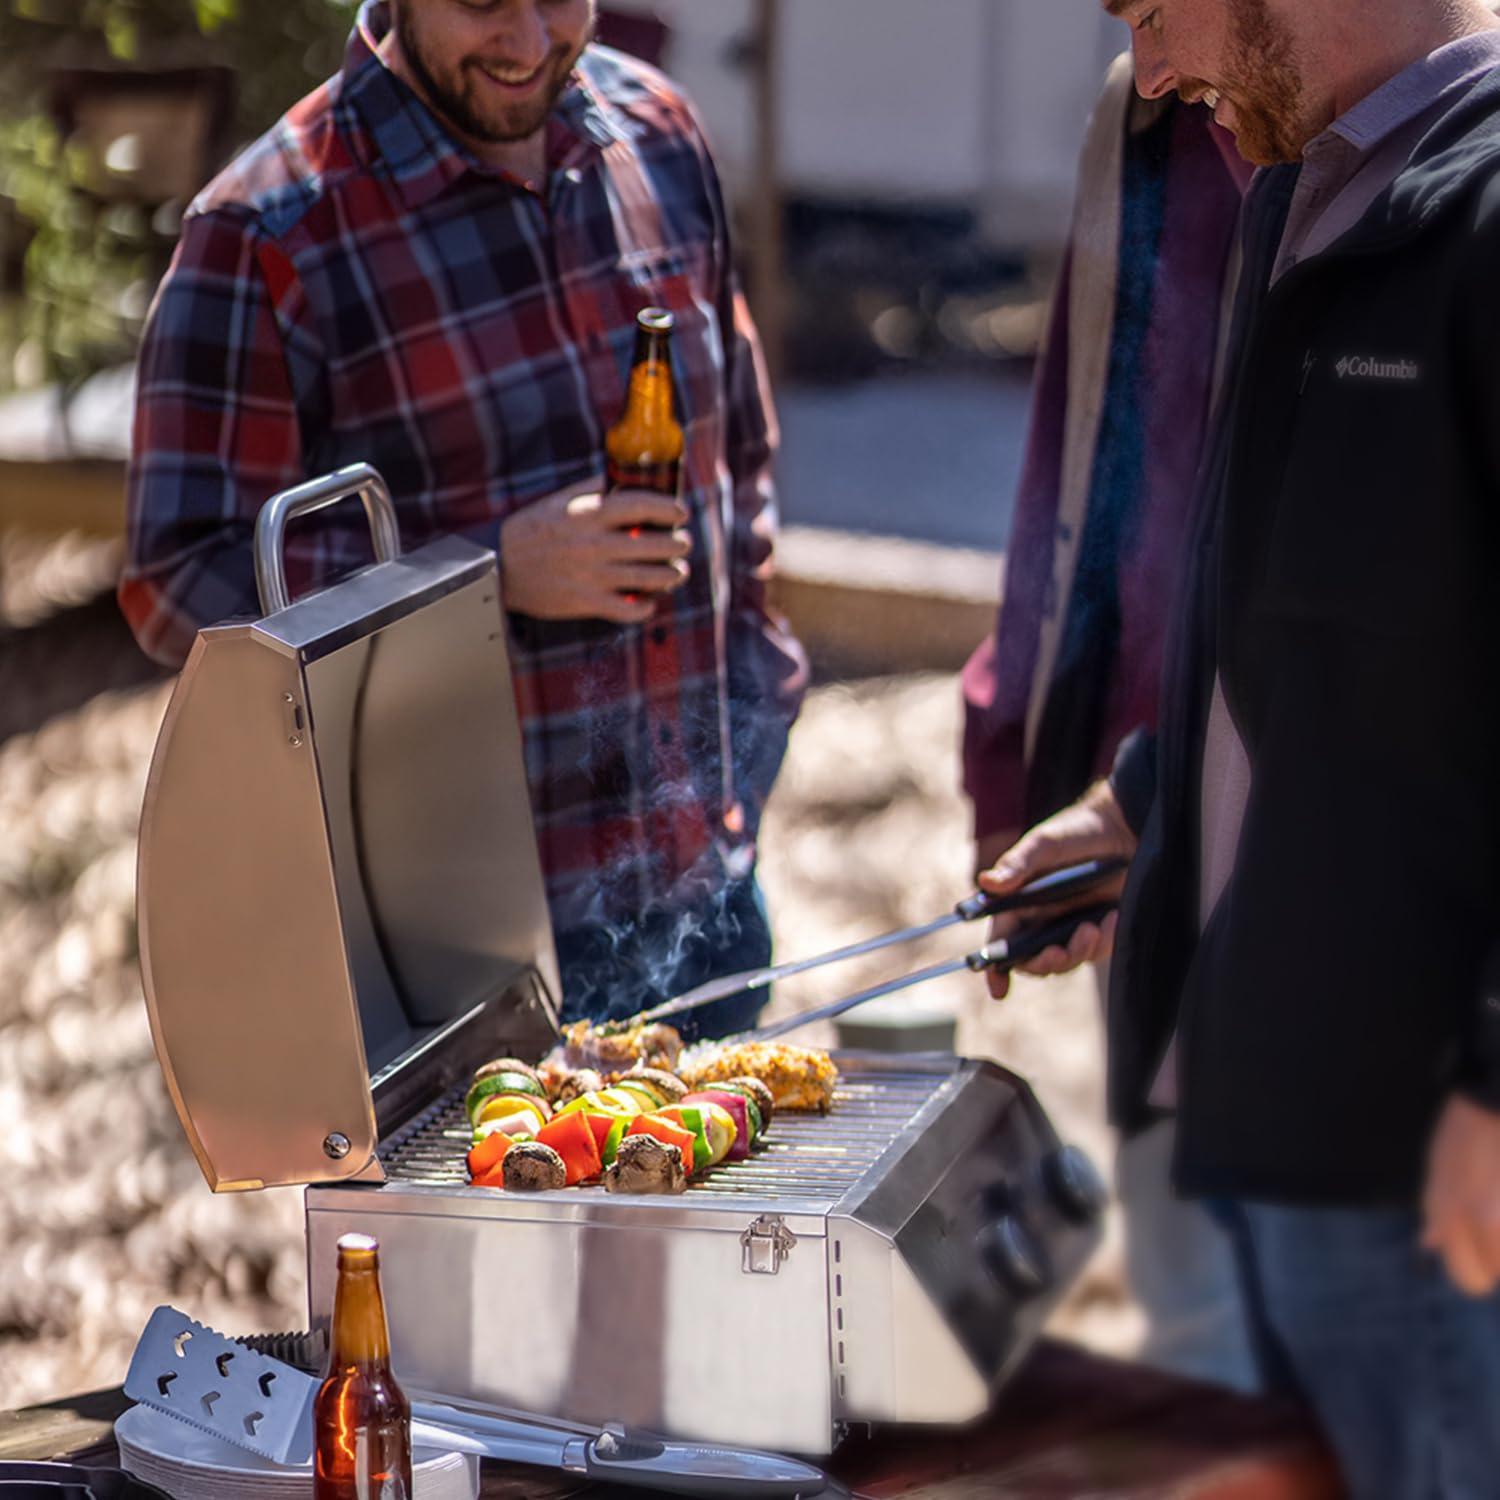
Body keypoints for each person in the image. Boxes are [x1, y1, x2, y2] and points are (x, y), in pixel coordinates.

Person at [982, 0, 1500, 1493]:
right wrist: (1145, 809)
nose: (1147, 74)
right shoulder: (1296, 193)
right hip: (1267, 1124)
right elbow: (1318, 634)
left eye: (1151, 12)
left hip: (1429, 1165)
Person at [120, 0, 806, 1036]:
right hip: (445, 963)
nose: (529, 44)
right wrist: (480, 572)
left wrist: (756, 717)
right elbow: (180, 583)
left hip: (702, 906)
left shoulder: (658, 132)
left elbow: (741, 459)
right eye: (484, 2)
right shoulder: (265, 232)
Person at [962, 57, 1256, 1390]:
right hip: (1151, 795)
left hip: (1351, 871)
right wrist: (1035, 748)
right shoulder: (1145, 113)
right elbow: (1076, 449)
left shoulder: (1441, 126)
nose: (1142, 45)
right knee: (1203, 1311)